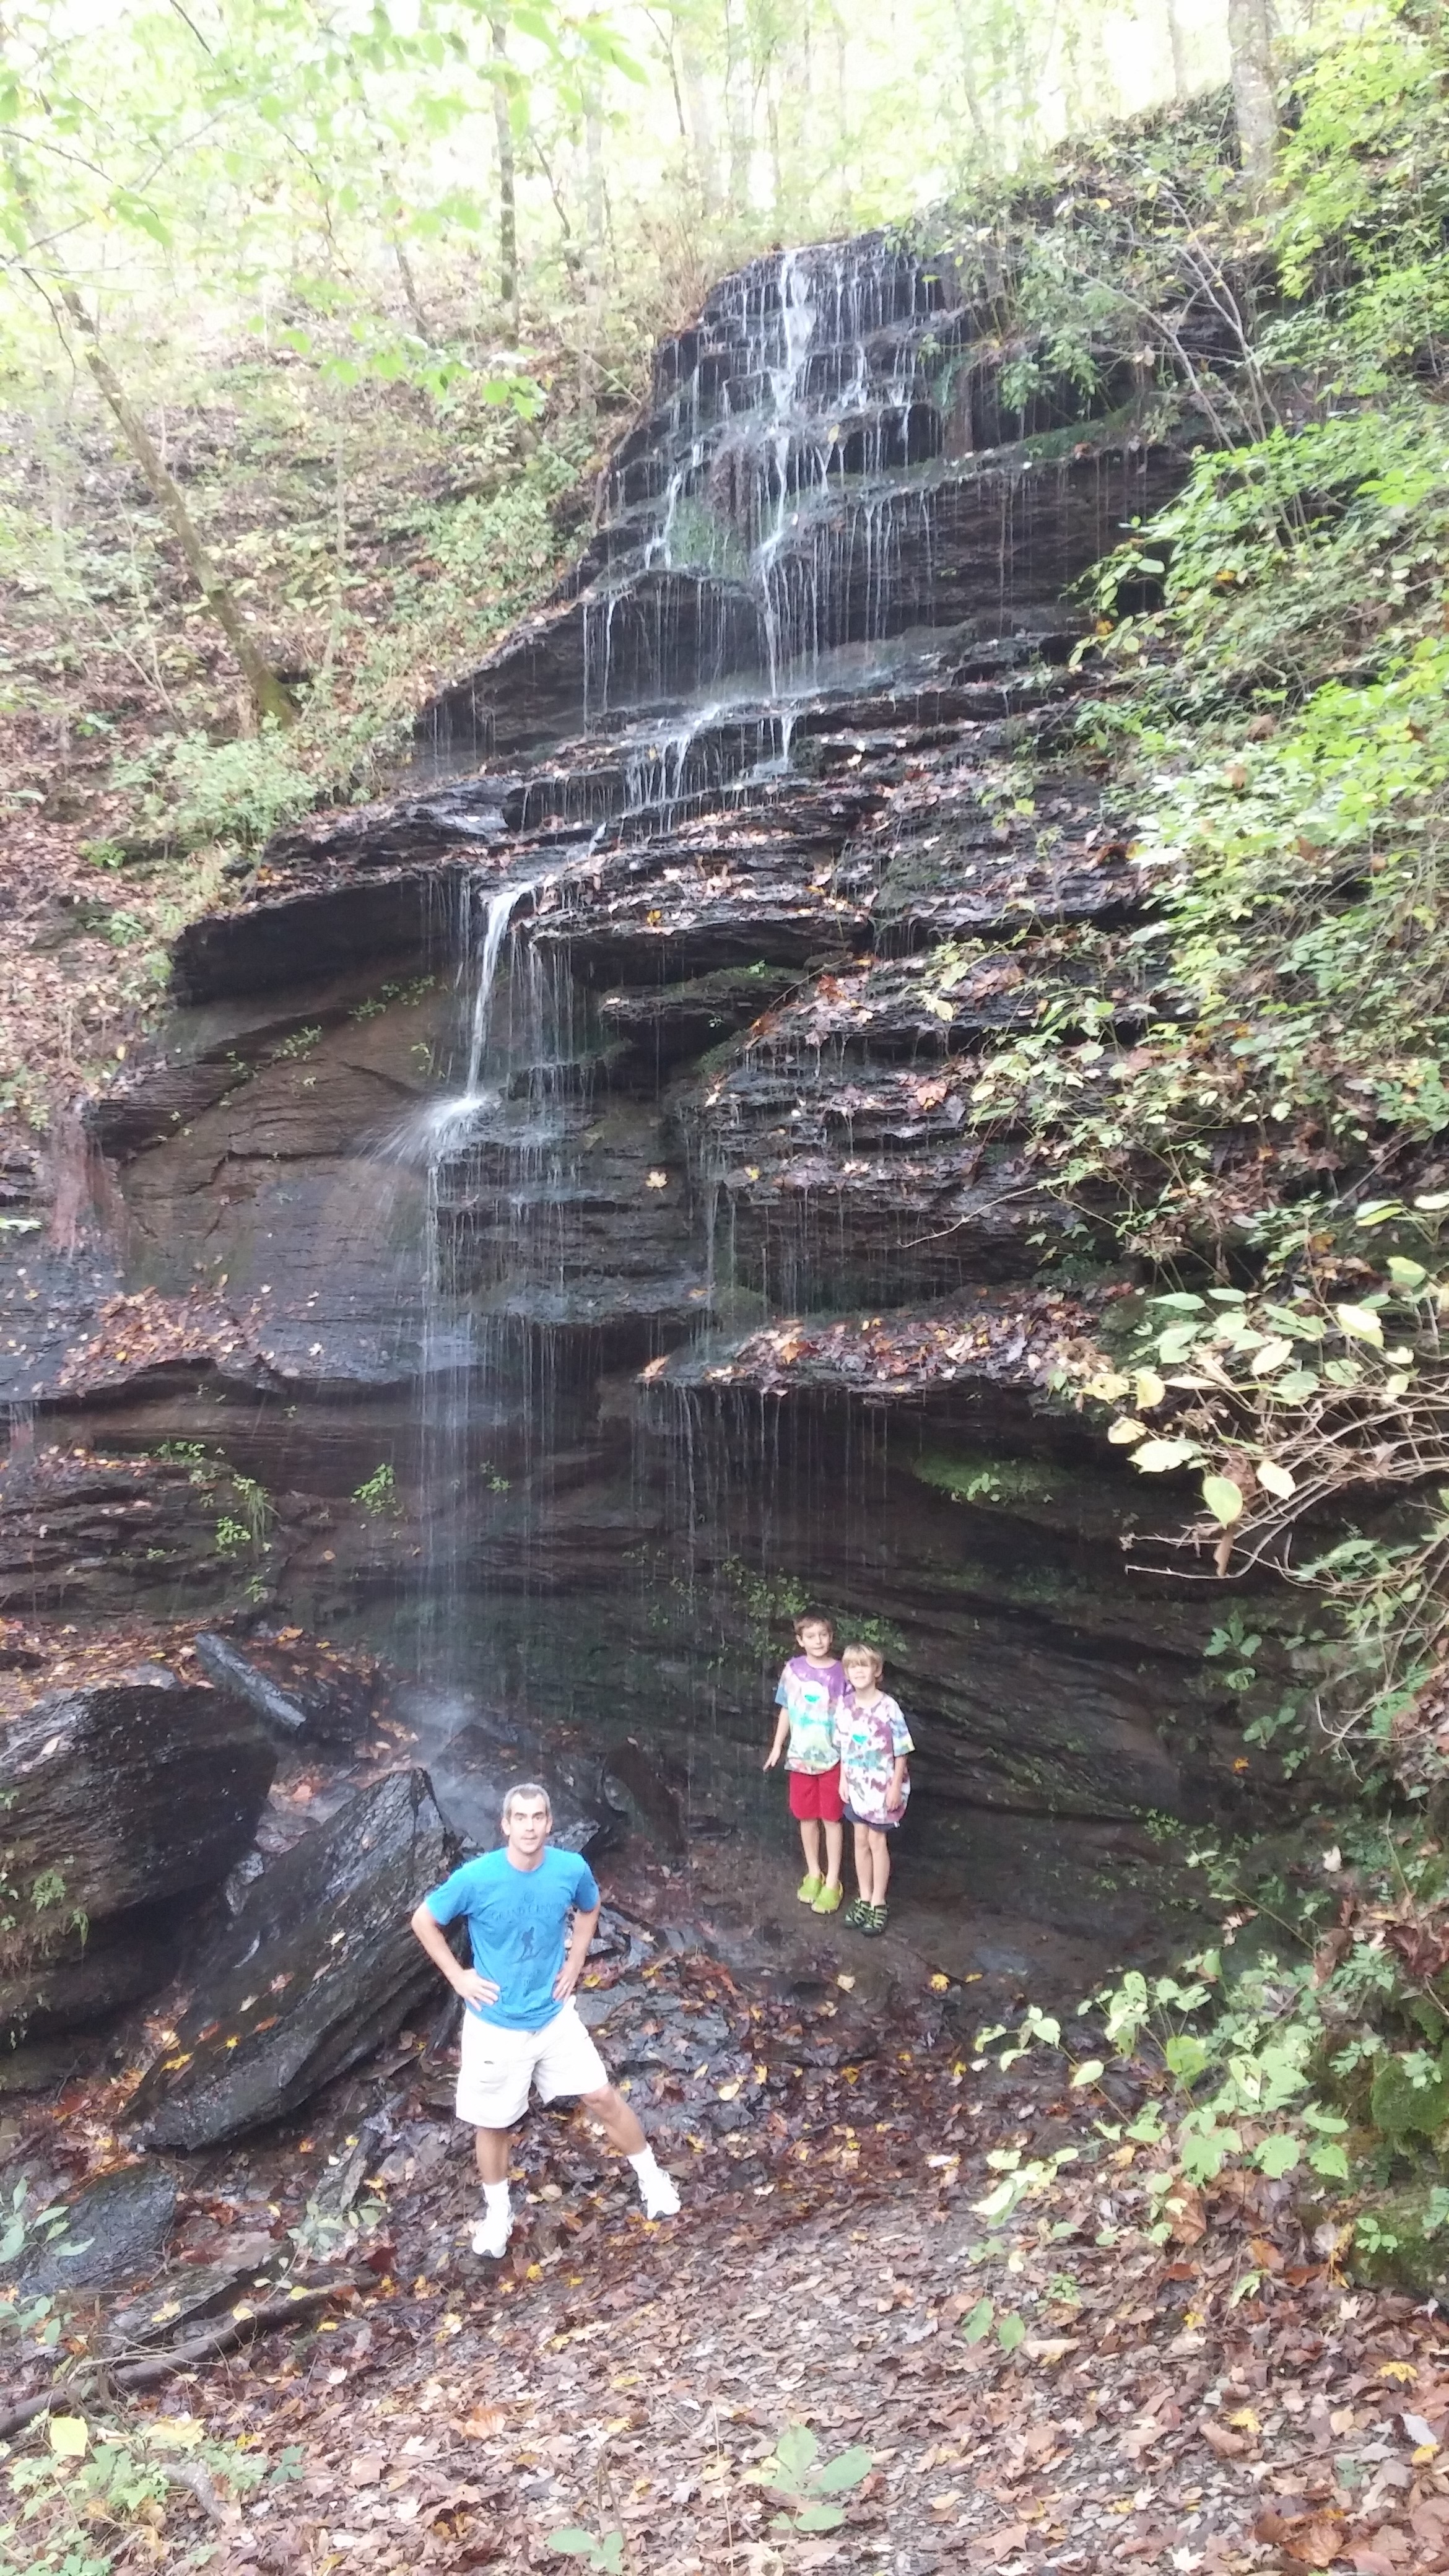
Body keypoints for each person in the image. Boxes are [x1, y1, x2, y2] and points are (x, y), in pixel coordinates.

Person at [409, 1781, 680, 2257]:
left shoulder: (570, 1868)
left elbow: (590, 1907)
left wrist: (576, 1960)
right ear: (506, 1825)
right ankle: (498, 2217)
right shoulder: (477, 1878)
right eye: (521, 1818)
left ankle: (653, 2180)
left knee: (601, 2096)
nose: (530, 1827)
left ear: (550, 1824)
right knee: (493, 2125)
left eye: (538, 1817)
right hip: (495, 2024)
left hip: (554, 2017)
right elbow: (423, 1920)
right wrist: (457, 1976)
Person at [764, 1612, 846, 1915]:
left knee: (832, 1819)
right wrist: (777, 1746)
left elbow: (852, 1715)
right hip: (800, 1759)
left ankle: (833, 1881)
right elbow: (786, 1708)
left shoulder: (842, 1673)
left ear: (831, 1637)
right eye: (811, 1636)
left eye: (823, 1635)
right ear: (800, 1641)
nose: (818, 1641)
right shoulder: (793, 1669)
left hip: (833, 1758)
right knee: (806, 1817)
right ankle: (814, 1872)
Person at [837, 1642, 912, 1937]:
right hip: (857, 1784)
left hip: (882, 1787)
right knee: (860, 1839)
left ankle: (879, 1901)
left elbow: (902, 1750)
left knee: (877, 1841)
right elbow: (844, 1746)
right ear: (846, 1673)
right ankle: (864, 1896)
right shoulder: (845, 1705)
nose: (858, 1671)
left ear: (876, 1671)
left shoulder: (889, 1707)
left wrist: (895, 1787)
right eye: (852, 1667)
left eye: (864, 1665)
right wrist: (843, 1779)